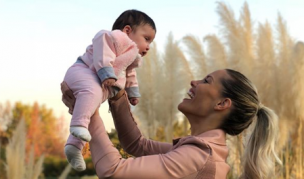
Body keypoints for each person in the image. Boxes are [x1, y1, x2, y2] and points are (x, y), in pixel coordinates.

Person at [61, 69, 281, 178]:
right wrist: (117, 96)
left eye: (206, 81)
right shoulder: (202, 150)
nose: (194, 82)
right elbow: (138, 145)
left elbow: (113, 171)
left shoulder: (199, 156)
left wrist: (88, 112)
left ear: (222, 103)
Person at [62, 9, 156, 171]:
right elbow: (102, 53)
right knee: (92, 94)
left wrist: (132, 92)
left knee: (90, 110)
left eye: (150, 43)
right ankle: (77, 124)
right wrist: (106, 71)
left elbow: (130, 74)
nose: (148, 47)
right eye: (146, 39)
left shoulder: (132, 57)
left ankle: (74, 146)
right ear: (127, 31)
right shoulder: (112, 37)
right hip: (84, 71)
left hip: (98, 83)